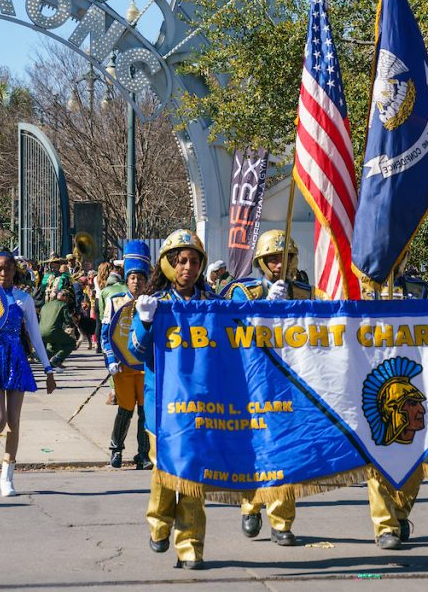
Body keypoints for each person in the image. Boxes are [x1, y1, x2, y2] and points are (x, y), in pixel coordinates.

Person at [129, 229, 218, 570]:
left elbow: (241, 334)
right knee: (166, 469)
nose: (188, 267)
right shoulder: (155, 304)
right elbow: (137, 352)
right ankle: (159, 523)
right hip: (162, 404)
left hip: (202, 404)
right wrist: (146, 321)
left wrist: (272, 304)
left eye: (194, 261)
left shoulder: (213, 304)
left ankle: (191, 545)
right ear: (168, 264)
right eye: (181, 261)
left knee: (194, 474)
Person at [224, 230, 310, 546]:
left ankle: (282, 521)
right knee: (255, 449)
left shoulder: (304, 291)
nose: (278, 263)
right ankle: (250, 504)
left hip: (289, 382)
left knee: (285, 452)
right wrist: (261, 309)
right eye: (272, 258)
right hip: (251, 381)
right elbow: (229, 327)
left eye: (284, 257)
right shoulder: (243, 291)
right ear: (261, 261)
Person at [0, 250, 56, 496]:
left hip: (16, 359)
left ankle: (7, 476)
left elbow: (35, 333)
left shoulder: (24, 299)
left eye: (8, 268)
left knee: (13, 423)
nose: (3, 273)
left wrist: (48, 368)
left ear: (14, 270)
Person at [100, 241, 152, 470]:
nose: (136, 281)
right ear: (126, 279)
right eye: (132, 277)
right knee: (125, 409)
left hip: (145, 366)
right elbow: (105, 335)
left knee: (145, 411)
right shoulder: (115, 301)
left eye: (141, 277)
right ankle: (116, 449)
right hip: (122, 367)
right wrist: (111, 359)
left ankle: (144, 454)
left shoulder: (153, 302)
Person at [39, 289, 78, 372]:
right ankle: (57, 359)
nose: (68, 300)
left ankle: (47, 363)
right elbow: (67, 320)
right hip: (53, 332)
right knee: (71, 342)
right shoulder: (62, 305)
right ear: (64, 297)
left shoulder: (45, 305)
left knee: (51, 345)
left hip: (40, 332)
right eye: (67, 298)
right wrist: (73, 325)